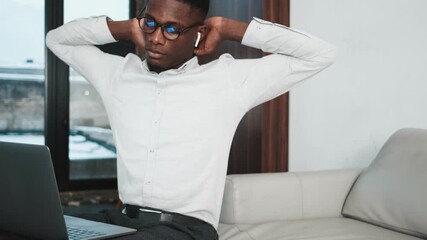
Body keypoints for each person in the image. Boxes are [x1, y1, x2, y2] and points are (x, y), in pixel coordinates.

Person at [46, 0, 335, 239]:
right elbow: (57, 40)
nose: (156, 38)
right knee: (36, 227)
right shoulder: (117, 74)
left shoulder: (228, 80)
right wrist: (126, 28)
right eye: (151, 24)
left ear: (198, 33)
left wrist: (230, 28)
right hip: (122, 219)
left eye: (172, 29)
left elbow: (320, 54)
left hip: (186, 230)